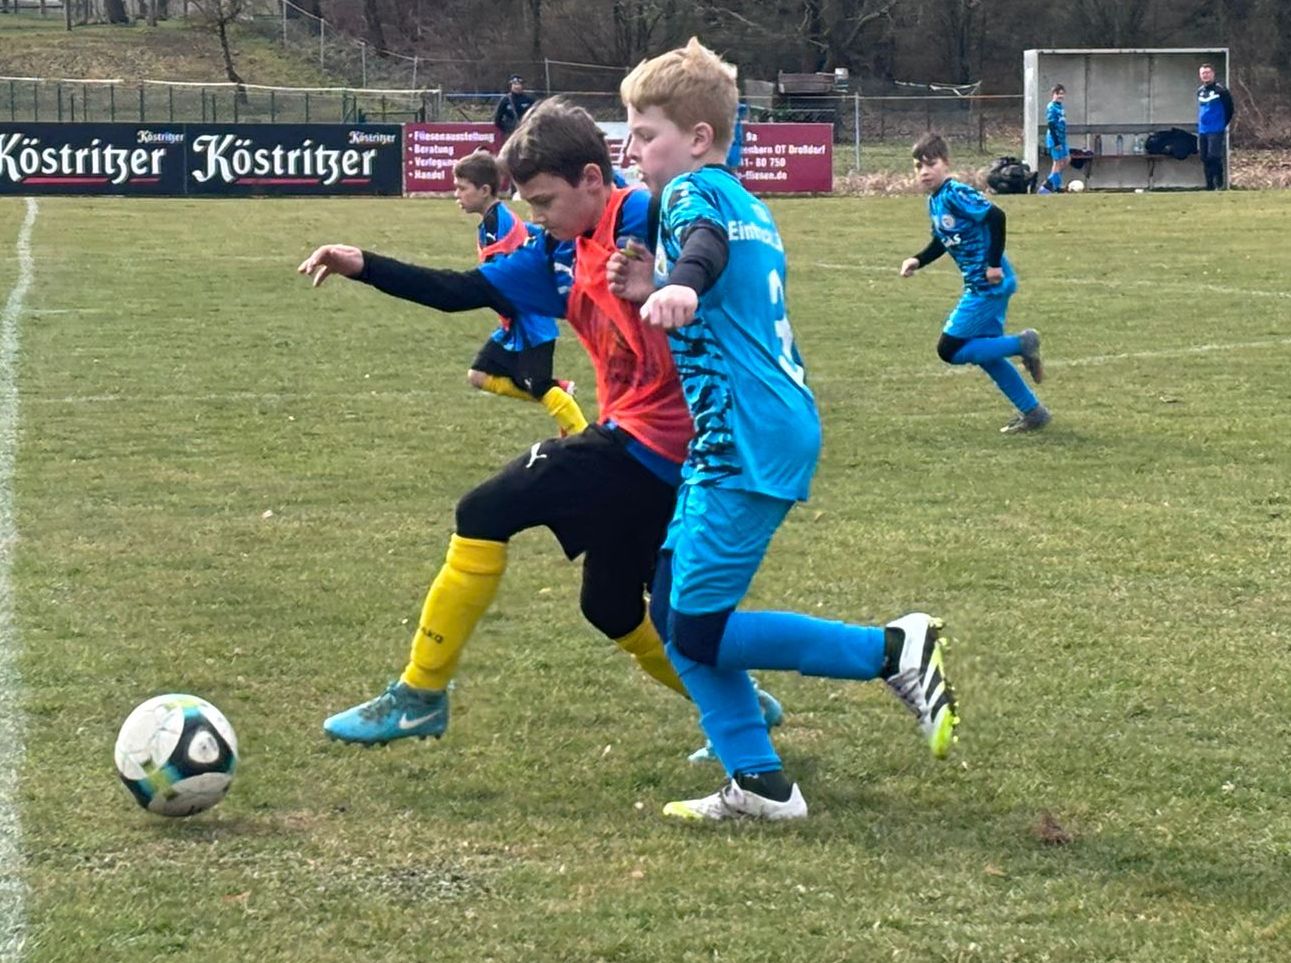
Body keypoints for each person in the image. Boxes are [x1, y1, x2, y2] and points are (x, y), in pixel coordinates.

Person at [296, 97, 782, 757]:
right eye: (528, 204)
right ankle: (742, 708)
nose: (537, 217)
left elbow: (707, 234)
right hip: (644, 449)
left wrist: (678, 281)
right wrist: (364, 264)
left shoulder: (644, 214)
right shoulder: (556, 253)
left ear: (592, 179)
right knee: (610, 607)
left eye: (546, 201)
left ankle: (419, 694)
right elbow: (459, 290)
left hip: (663, 444)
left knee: (483, 509)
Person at [613, 38, 960, 823]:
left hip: (742, 433)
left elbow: (702, 250)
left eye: (644, 133)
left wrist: (678, 283)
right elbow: (724, 277)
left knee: (698, 629)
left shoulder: (690, 192)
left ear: (697, 138)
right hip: (750, 426)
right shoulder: (746, 201)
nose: (631, 150)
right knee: (671, 611)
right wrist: (656, 284)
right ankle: (760, 783)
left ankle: (890, 649)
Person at [899, 132, 1050, 435]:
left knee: (950, 349)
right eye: (918, 166)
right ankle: (1033, 412)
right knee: (986, 354)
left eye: (931, 164)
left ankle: (1022, 344)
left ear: (946, 163)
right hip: (983, 284)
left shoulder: (955, 192)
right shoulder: (935, 200)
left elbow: (996, 216)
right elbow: (942, 240)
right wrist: (918, 259)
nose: (924, 171)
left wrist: (993, 264)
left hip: (988, 285)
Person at [452, 150, 586, 436]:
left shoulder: (496, 224)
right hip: (514, 320)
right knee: (479, 375)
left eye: (462, 188)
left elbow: (493, 279)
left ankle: (583, 436)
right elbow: (533, 236)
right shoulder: (498, 219)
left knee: (538, 385)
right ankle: (559, 393)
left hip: (530, 322)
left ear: (484, 190)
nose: (457, 195)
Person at [1196, 63, 1235, 191]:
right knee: (1204, 157)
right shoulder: (1200, 91)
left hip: (1216, 129)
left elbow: (1230, 109)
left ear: (1213, 74)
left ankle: (1219, 181)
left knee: (1214, 156)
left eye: (1207, 72)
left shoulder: (1221, 91)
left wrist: (1222, 124)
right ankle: (1209, 186)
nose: (1205, 75)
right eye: (1203, 73)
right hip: (1203, 129)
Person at [1038, 84, 1067, 194]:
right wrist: (1056, 141)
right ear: (1053, 94)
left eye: (1062, 94)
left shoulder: (1061, 107)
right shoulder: (1051, 107)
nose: (1060, 96)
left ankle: (1053, 183)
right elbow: (1051, 125)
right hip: (1055, 139)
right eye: (1058, 94)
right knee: (1057, 162)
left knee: (1066, 159)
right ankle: (1049, 186)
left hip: (1062, 138)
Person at [493, 74, 535, 140]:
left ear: (522, 85)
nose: (517, 86)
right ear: (511, 86)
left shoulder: (529, 100)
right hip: (510, 134)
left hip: (526, 134)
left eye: (519, 84)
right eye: (514, 84)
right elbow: (497, 120)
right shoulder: (505, 100)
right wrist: (507, 128)